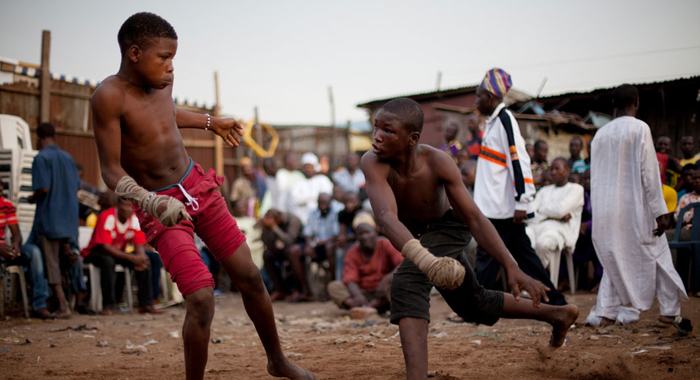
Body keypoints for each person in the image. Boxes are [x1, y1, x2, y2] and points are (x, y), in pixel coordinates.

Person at [90, 12, 314, 380]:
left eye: (173, 57)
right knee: (200, 299)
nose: (171, 66)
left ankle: (277, 360)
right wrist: (152, 202)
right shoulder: (108, 96)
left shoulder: (161, 84)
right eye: (163, 57)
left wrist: (212, 122)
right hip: (161, 206)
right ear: (133, 53)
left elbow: (164, 114)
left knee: (250, 276)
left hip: (198, 187)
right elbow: (111, 170)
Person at [362, 95, 578, 380]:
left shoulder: (438, 162)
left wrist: (511, 266)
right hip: (416, 238)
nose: (377, 137)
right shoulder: (373, 162)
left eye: (388, 131)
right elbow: (387, 217)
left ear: (412, 138)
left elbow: (474, 217)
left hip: (448, 229)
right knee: (473, 304)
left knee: (407, 282)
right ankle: (558, 314)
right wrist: (426, 259)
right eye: (376, 127)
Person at [591, 84, 690, 333]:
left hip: (605, 210)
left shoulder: (600, 135)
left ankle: (606, 313)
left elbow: (594, 177)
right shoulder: (640, 128)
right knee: (660, 257)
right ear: (636, 102)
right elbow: (649, 172)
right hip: (634, 208)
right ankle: (669, 312)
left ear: (613, 105)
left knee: (615, 257)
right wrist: (659, 211)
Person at [472, 69, 567, 306]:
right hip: (495, 206)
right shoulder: (492, 123)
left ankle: (474, 308)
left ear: (492, 97)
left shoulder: (505, 120)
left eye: (479, 95)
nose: (476, 101)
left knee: (487, 256)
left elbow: (520, 162)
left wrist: (522, 202)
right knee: (526, 259)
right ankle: (556, 301)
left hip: (502, 208)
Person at [28, 122, 81, 318]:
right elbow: (77, 187)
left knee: (50, 263)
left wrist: (31, 198)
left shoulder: (41, 158)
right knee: (68, 259)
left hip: (50, 219)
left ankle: (62, 305)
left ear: (38, 137)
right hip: (69, 219)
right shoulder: (68, 158)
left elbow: (43, 189)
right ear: (55, 136)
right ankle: (78, 301)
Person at [81, 197, 157, 314]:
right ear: (118, 205)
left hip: (117, 254)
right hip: (95, 253)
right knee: (108, 261)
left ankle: (146, 303)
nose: (128, 210)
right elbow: (105, 247)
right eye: (125, 206)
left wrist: (140, 258)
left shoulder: (134, 219)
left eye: (131, 207)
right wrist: (133, 258)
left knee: (145, 261)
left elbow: (139, 246)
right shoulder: (107, 216)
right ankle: (108, 305)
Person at [327, 212, 403, 318]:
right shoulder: (352, 251)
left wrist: (386, 280)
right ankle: (365, 307)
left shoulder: (385, 244)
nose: (365, 237)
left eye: (368, 232)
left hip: (384, 291)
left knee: (401, 283)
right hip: (363, 292)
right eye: (360, 234)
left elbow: (402, 264)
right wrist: (358, 296)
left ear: (375, 232)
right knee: (334, 286)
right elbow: (350, 279)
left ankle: (370, 308)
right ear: (356, 236)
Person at [525, 158, 584, 286]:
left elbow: (560, 210)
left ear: (567, 170)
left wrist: (543, 211)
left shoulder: (576, 189)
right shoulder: (544, 191)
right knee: (522, 240)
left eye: (557, 169)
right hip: (537, 226)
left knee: (544, 243)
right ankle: (530, 281)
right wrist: (552, 214)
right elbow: (530, 213)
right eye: (552, 169)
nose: (553, 172)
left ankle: (534, 282)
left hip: (559, 230)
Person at [288, 193, 339, 302]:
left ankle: (332, 289)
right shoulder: (313, 213)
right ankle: (305, 291)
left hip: (329, 245)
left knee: (330, 248)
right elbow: (308, 233)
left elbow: (336, 235)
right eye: (320, 203)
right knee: (294, 251)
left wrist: (317, 244)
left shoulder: (336, 213)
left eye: (325, 203)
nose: (323, 206)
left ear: (330, 202)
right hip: (315, 245)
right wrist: (309, 246)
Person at [666, 169, 700, 295]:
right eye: (694, 178)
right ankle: (671, 281)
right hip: (689, 231)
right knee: (666, 237)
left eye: (699, 178)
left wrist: (691, 214)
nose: (697, 181)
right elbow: (677, 217)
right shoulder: (686, 197)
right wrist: (693, 215)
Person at [260, 209, 303, 301]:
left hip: (300, 247)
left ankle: (300, 290)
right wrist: (265, 228)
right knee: (267, 255)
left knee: (292, 252)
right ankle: (279, 290)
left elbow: (290, 240)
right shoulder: (271, 224)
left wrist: (274, 228)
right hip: (285, 249)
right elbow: (268, 244)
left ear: (279, 218)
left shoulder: (292, 219)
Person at [286, 153, 333, 225]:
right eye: (306, 167)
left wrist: (306, 199)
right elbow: (295, 199)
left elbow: (326, 197)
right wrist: (313, 197)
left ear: (315, 167)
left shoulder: (323, 180)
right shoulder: (298, 183)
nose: (308, 169)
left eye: (310, 167)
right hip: (302, 218)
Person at [335, 190, 362, 279]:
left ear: (357, 202)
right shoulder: (342, 214)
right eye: (346, 202)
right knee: (339, 249)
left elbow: (361, 234)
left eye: (351, 202)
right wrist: (342, 239)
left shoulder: (361, 213)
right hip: (350, 240)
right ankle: (340, 280)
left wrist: (347, 239)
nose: (348, 205)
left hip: (360, 240)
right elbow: (342, 231)